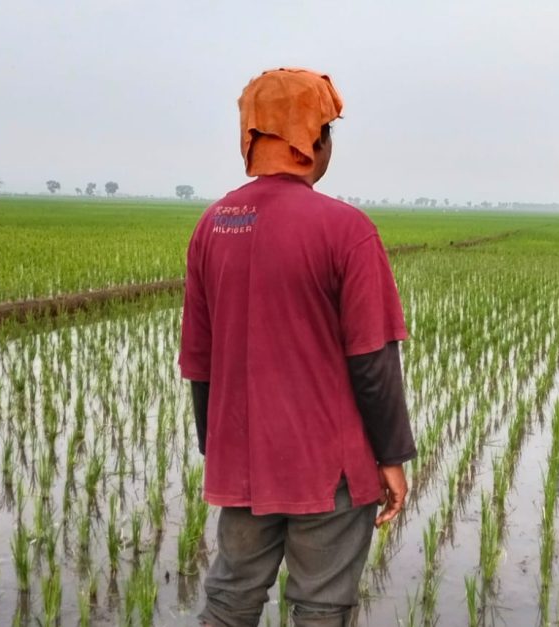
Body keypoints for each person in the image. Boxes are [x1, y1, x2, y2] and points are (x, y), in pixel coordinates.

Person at [178, 67, 417, 627]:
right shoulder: (346, 228)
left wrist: (220, 451)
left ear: (250, 137)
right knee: (321, 608)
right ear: (315, 140)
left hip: (243, 463)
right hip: (328, 468)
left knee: (229, 601)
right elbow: (372, 360)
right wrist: (391, 457)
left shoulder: (212, 225)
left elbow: (199, 362)